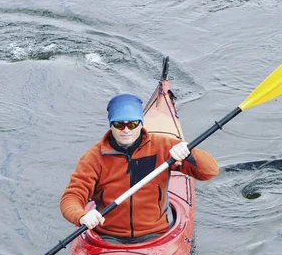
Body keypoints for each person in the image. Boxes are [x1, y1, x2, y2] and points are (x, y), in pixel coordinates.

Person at [60, 93, 219, 243]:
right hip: (108, 236)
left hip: (157, 233)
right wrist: (81, 216)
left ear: (141, 123)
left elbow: (210, 172)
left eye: (132, 124)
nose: (127, 130)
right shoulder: (94, 158)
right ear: (111, 125)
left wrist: (190, 154)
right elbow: (71, 197)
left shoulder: (163, 146)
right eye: (119, 124)